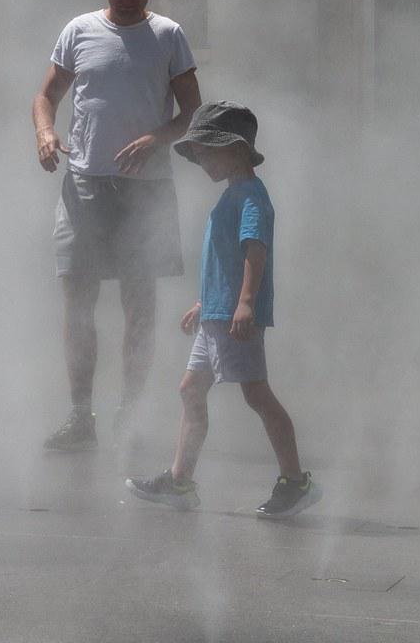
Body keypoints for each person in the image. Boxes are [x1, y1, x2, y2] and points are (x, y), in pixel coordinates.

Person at [32, 0, 201, 451]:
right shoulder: (79, 30)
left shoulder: (167, 35)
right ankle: (81, 415)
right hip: (85, 181)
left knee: (139, 302)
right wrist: (44, 133)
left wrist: (156, 137)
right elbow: (46, 96)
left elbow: (193, 110)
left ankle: (131, 412)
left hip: (144, 188)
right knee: (77, 300)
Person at [125, 101, 322, 518]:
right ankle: (179, 480)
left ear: (234, 149)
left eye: (206, 151)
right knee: (191, 389)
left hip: (234, 320)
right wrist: (204, 303)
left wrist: (245, 303)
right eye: (196, 152)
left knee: (258, 396)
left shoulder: (250, 195)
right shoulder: (234, 194)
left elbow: (254, 250)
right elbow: (224, 261)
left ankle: (295, 481)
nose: (199, 160)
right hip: (216, 315)